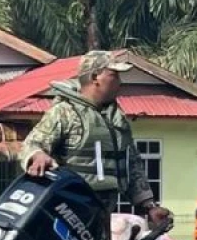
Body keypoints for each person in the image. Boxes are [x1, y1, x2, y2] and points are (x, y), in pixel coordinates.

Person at [21, 50, 173, 230]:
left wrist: (148, 207)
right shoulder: (65, 112)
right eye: (113, 75)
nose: (120, 82)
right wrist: (37, 155)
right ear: (95, 78)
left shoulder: (117, 119)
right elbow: (32, 143)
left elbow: (131, 164)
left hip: (100, 218)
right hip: (67, 214)